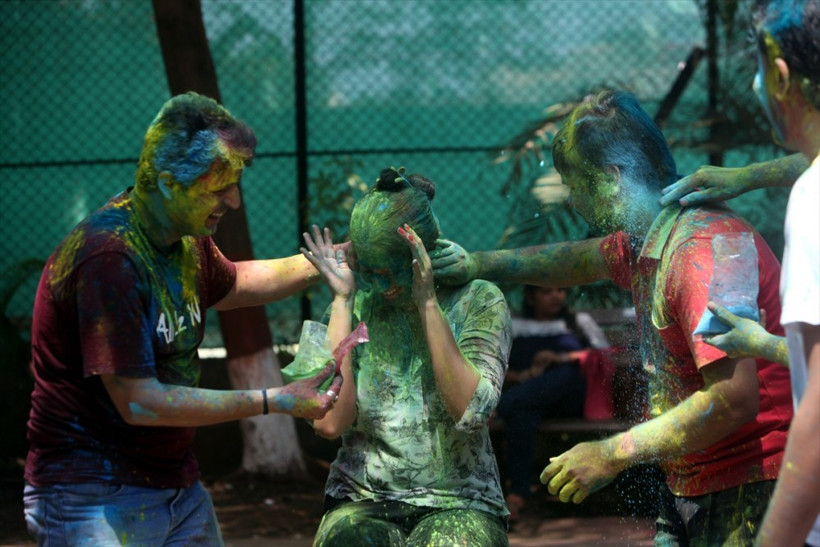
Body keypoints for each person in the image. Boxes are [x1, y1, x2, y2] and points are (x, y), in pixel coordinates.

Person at [431, 89, 795, 545]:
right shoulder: (649, 236)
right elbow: (579, 260)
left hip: (756, 481)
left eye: (576, 185)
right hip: (696, 479)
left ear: (611, 177)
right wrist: (480, 264)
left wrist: (612, 452)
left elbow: (734, 399)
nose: (573, 202)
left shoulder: (700, 250)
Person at [23, 92, 343, 546]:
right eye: (218, 188)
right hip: (89, 492)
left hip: (176, 485)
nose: (233, 201)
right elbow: (140, 403)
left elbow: (235, 284)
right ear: (169, 182)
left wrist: (334, 262)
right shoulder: (109, 259)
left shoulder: (184, 239)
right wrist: (277, 400)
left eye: (235, 184)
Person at [660, 1, 820, 544]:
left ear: (780, 76)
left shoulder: (814, 200)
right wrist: (771, 344)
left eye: (758, 69)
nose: (754, 86)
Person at [300, 167, 512, 546]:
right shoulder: (350, 305)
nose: (380, 287)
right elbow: (329, 424)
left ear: (421, 254)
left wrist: (428, 302)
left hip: (460, 502)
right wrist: (341, 301)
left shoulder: (479, 299)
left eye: (389, 272)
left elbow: (471, 412)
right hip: (362, 498)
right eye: (370, 271)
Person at [495, 285, 609, 521]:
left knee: (565, 375)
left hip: (571, 398)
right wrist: (522, 377)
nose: (557, 295)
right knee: (521, 416)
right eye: (547, 291)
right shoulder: (515, 327)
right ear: (530, 297)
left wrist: (561, 358)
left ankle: (497, 408)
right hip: (531, 399)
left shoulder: (578, 322)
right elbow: (497, 368)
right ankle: (518, 494)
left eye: (560, 290)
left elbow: (605, 357)